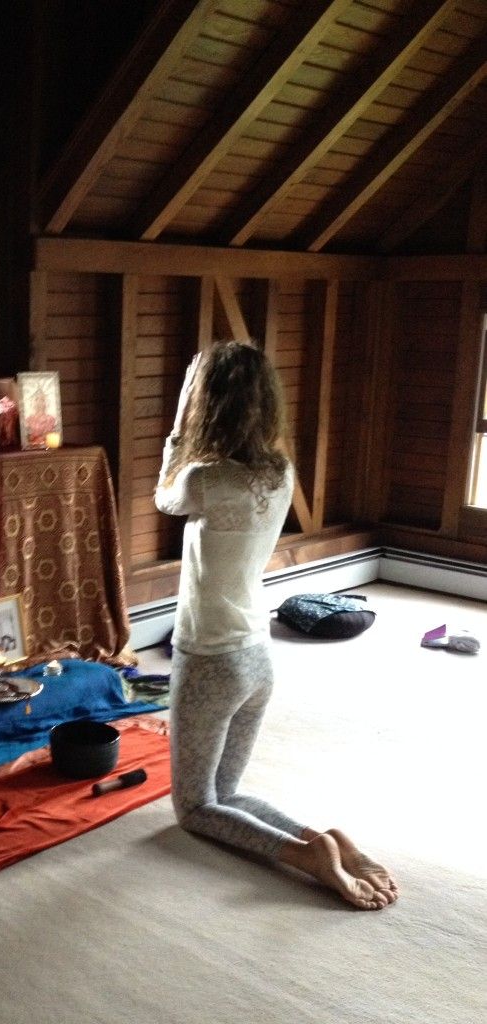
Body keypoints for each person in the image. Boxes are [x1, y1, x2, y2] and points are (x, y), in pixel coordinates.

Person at [155, 340, 398, 911]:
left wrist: (178, 417)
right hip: (258, 661)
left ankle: (304, 855)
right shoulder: (279, 474)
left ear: (206, 405)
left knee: (194, 808)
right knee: (228, 791)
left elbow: (165, 496)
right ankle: (322, 839)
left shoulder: (204, 479)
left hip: (209, 661)